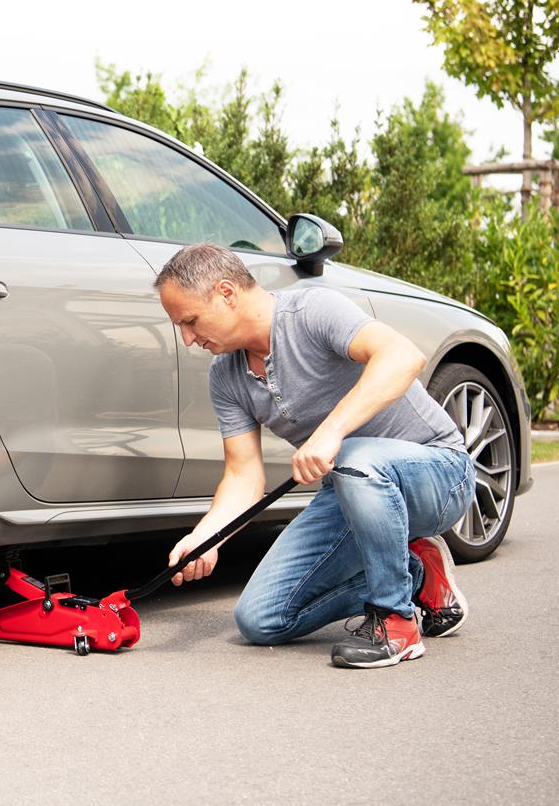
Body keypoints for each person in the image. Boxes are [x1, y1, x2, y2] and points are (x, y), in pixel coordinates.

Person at [156, 242, 475, 669]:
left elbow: (404, 356)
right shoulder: (226, 377)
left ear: (227, 293)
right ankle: (416, 573)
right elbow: (243, 477)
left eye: (190, 321)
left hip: (438, 474)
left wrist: (332, 431)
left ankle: (396, 622)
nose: (188, 338)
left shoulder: (312, 311)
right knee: (260, 619)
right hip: (350, 492)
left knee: (355, 456)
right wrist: (206, 538)